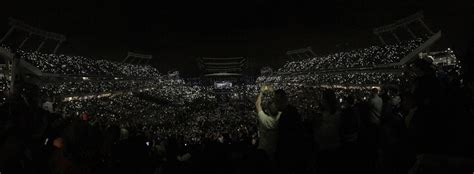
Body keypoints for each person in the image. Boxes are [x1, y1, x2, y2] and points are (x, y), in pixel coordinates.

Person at [255, 84, 280, 161]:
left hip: (264, 151)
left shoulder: (264, 119)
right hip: (277, 150)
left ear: (267, 111)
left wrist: (261, 92)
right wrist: (274, 92)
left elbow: (257, 104)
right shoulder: (281, 117)